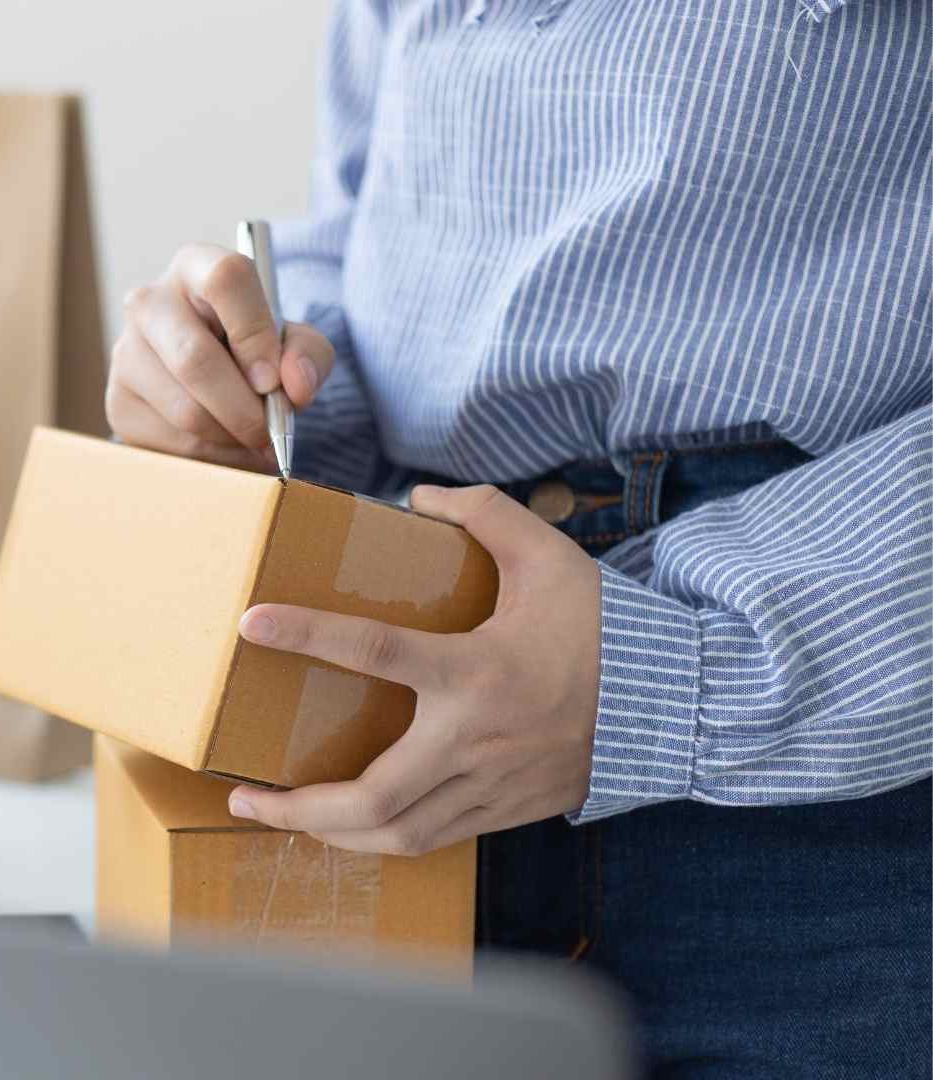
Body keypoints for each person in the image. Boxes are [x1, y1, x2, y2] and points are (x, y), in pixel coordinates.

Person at [105, 2, 930, 1076]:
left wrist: (671, 672)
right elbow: (362, 245)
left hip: (821, 797)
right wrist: (246, 406)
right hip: (403, 742)